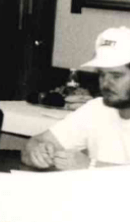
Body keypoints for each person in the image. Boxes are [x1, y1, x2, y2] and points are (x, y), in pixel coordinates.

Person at [22, 27, 130, 169]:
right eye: (102, 74)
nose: (105, 83)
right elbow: (33, 143)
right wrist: (35, 152)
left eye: (116, 76)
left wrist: (90, 166)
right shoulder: (96, 109)